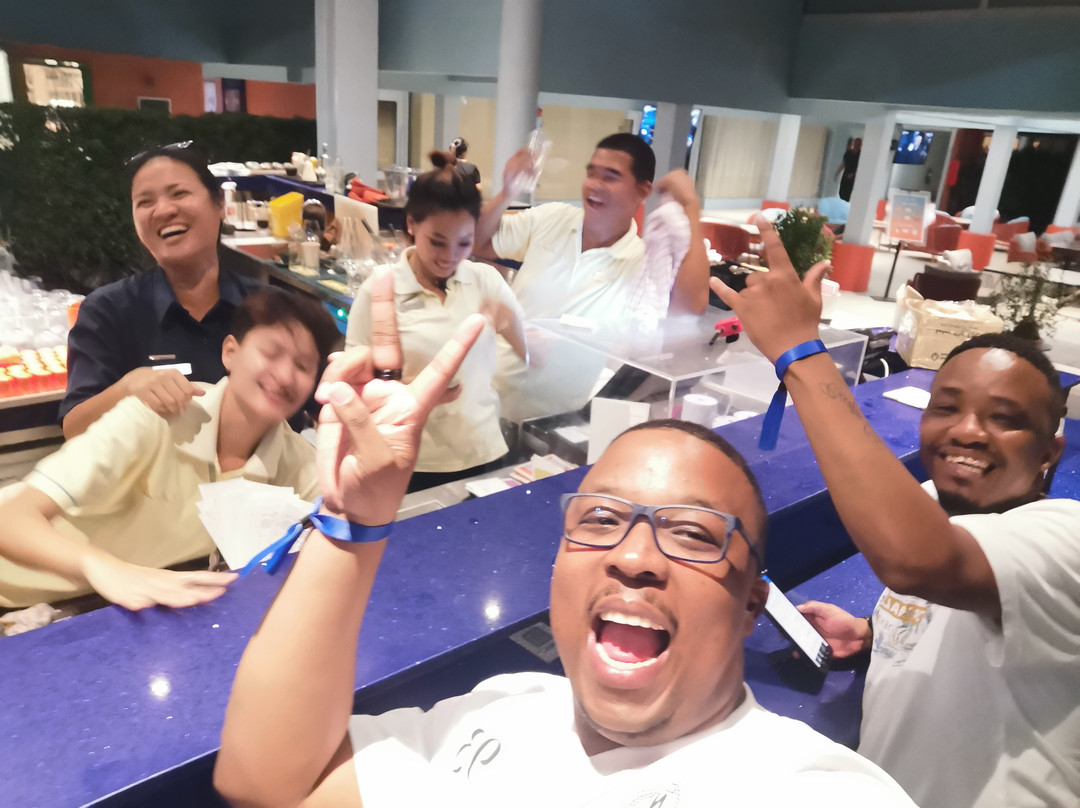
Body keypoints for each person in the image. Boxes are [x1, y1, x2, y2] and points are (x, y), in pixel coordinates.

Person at [213, 305, 917, 806]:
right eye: (602, 518)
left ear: (751, 608)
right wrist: (350, 521)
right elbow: (268, 779)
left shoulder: (796, 784)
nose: (635, 557)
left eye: (692, 533)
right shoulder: (502, 708)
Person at [710, 228, 1079, 808]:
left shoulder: (1065, 537)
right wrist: (872, 631)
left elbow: (920, 560)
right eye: (947, 407)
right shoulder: (932, 505)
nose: (967, 431)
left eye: (1005, 418)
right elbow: (953, 600)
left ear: (1049, 453)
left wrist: (798, 351)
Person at [0, 287, 339, 611]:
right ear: (230, 353)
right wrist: (103, 567)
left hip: (101, 608)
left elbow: (339, 538)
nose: (284, 375)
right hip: (15, 596)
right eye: (271, 353)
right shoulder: (156, 418)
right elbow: (10, 518)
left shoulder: (299, 464)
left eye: (302, 366)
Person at [345, 153, 526, 491]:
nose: (449, 257)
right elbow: (352, 384)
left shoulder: (486, 280)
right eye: (437, 242)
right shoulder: (380, 290)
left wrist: (510, 324)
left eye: (464, 243)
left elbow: (528, 355)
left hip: (482, 451)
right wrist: (409, 390)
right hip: (409, 457)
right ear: (412, 224)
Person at [60, 142, 263, 439]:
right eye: (145, 202)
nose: (164, 210)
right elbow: (74, 428)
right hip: (148, 471)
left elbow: (319, 400)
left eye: (179, 193)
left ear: (220, 203)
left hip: (262, 470)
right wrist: (128, 388)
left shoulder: (269, 308)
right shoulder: (108, 311)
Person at [474, 132, 710, 321]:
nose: (594, 185)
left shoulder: (641, 263)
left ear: (642, 191)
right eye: (591, 174)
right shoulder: (552, 218)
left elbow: (691, 308)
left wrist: (689, 204)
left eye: (610, 177)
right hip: (502, 364)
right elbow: (476, 242)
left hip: (576, 370)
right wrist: (508, 192)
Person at [834, 137, 861, 202]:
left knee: (849, 193)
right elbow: (843, 164)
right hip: (845, 175)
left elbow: (860, 167)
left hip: (853, 177)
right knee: (842, 192)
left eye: (858, 143)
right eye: (855, 143)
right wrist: (837, 173)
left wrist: (853, 173)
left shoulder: (860, 155)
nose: (856, 145)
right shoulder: (848, 153)